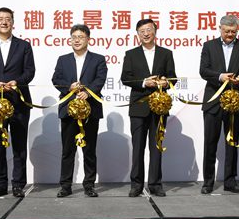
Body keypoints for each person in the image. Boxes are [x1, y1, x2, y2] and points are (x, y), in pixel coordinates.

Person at [0, 7, 35, 199]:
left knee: (19, 144)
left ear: (13, 23)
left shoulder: (24, 46)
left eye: (8, 19)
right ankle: (0, 184)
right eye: (0, 19)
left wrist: (16, 82)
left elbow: (30, 71)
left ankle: (18, 184)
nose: (4, 22)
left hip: (19, 101)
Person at [121, 18, 176, 197]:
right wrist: (145, 82)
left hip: (159, 107)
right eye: (142, 31)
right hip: (138, 107)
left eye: (149, 30)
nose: (146, 34)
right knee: (138, 147)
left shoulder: (166, 53)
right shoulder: (131, 54)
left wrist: (165, 82)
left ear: (155, 32)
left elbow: (173, 78)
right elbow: (125, 78)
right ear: (137, 34)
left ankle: (155, 184)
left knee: (156, 147)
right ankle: (136, 184)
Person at [199, 14, 239, 194]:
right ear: (220, 29)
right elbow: (203, 70)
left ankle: (230, 181)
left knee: (232, 143)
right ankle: (208, 182)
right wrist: (220, 76)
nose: (230, 34)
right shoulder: (209, 46)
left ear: (237, 30)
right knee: (210, 143)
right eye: (227, 31)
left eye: (233, 31)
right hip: (213, 102)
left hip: (234, 102)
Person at [52, 24, 108, 198]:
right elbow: (56, 79)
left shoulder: (98, 59)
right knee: (68, 151)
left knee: (89, 150)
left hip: (90, 110)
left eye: (81, 37)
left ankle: (89, 185)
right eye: (74, 37)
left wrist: (88, 92)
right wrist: (69, 87)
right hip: (68, 111)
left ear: (88, 39)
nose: (77, 40)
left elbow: (100, 79)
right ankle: (65, 186)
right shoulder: (63, 59)